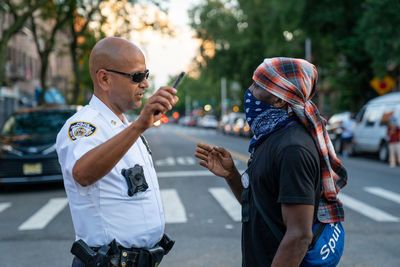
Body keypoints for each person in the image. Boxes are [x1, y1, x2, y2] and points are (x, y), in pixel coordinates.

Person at [195, 58, 347, 267]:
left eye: (257, 86)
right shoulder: (270, 137)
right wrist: (232, 176)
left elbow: (299, 236)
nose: (249, 91)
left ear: (279, 101)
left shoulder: (293, 148)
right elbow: (261, 208)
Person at [56, 37, 178, 267]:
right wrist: (139, 125)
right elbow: (82, 173)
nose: (145, 84)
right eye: (136, 76)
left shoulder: (126, 127)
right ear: (104, 78)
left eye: (146, 75)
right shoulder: (83, 125)